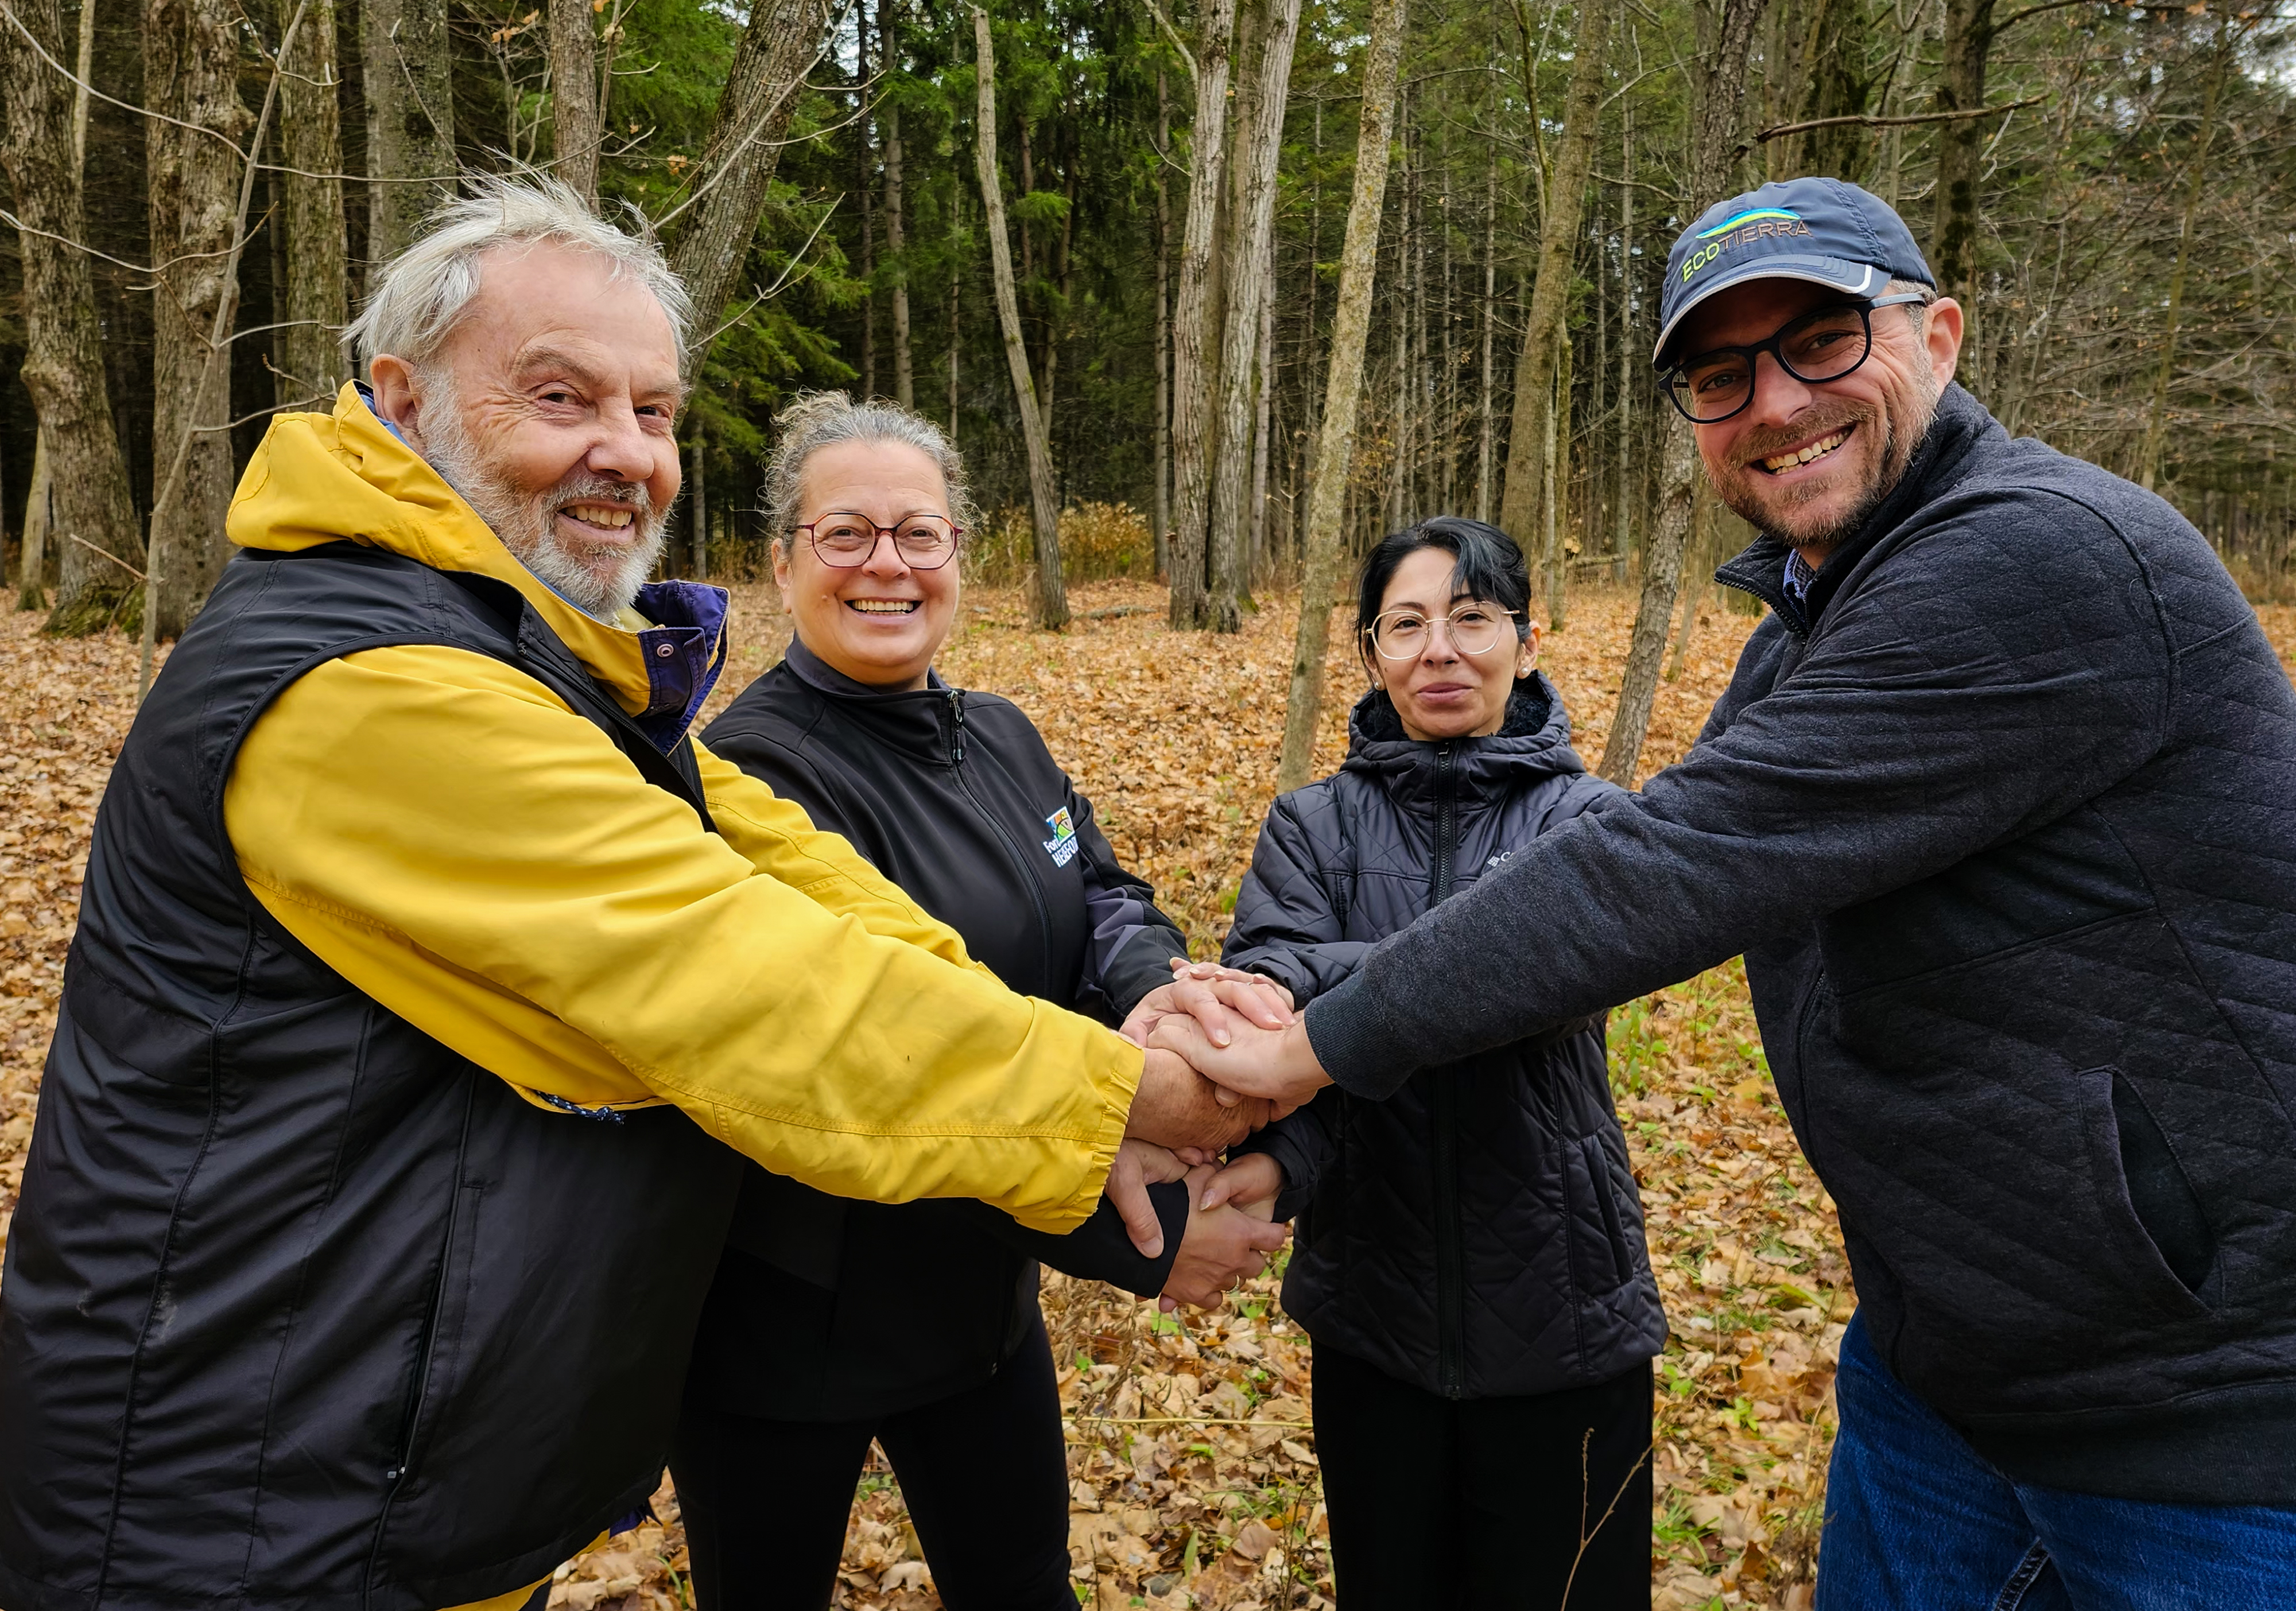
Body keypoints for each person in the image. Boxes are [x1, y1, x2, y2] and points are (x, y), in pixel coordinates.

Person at [0, 179, 1258, 1611]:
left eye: (654, 414)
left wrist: (1119, 1037)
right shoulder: (372, 684)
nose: (623, 454)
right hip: (244, 1501)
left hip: (383, 1455)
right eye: (559, 397)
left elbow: (783, 866)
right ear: (399, 401)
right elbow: (736, 975)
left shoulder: (526, 659)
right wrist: (1119, 1101)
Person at [1155, 176, 2296, 1606]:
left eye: (1821, 338)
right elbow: (1614, 888)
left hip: (2205, 1401)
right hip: (1943, 1361)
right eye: (1718, 374)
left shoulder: (2043, 556)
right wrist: (1251, 1027)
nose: (1771, 402)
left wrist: (1282, 1047)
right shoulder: (1805, 633)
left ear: (1936, 338)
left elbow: (1663, 869)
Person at [671, 392, 1293, 1609]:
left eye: (920, 533)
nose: (886, 565)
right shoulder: (752, 777)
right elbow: (878, 1065)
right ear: (780, 563)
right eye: (845, 534)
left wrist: (1157, 1003)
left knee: (1020, 1590)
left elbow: (1101, 892)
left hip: (975, 1318)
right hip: (785, 1325)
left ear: (961, 554)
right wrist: (1128, 1241)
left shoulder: (995, 733)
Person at [1191, 517, 1665, 1608]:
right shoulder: (1310, 827)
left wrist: (1347, 983)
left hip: (1565, 1305)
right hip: (1372, 1305)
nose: (1439, 650)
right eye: (1406, 624)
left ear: (1527, 641)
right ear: (1370, 653)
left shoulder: (1589, 821)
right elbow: (1268, 998)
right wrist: (1487, 959)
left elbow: (1553, 995)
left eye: (1473, 619)